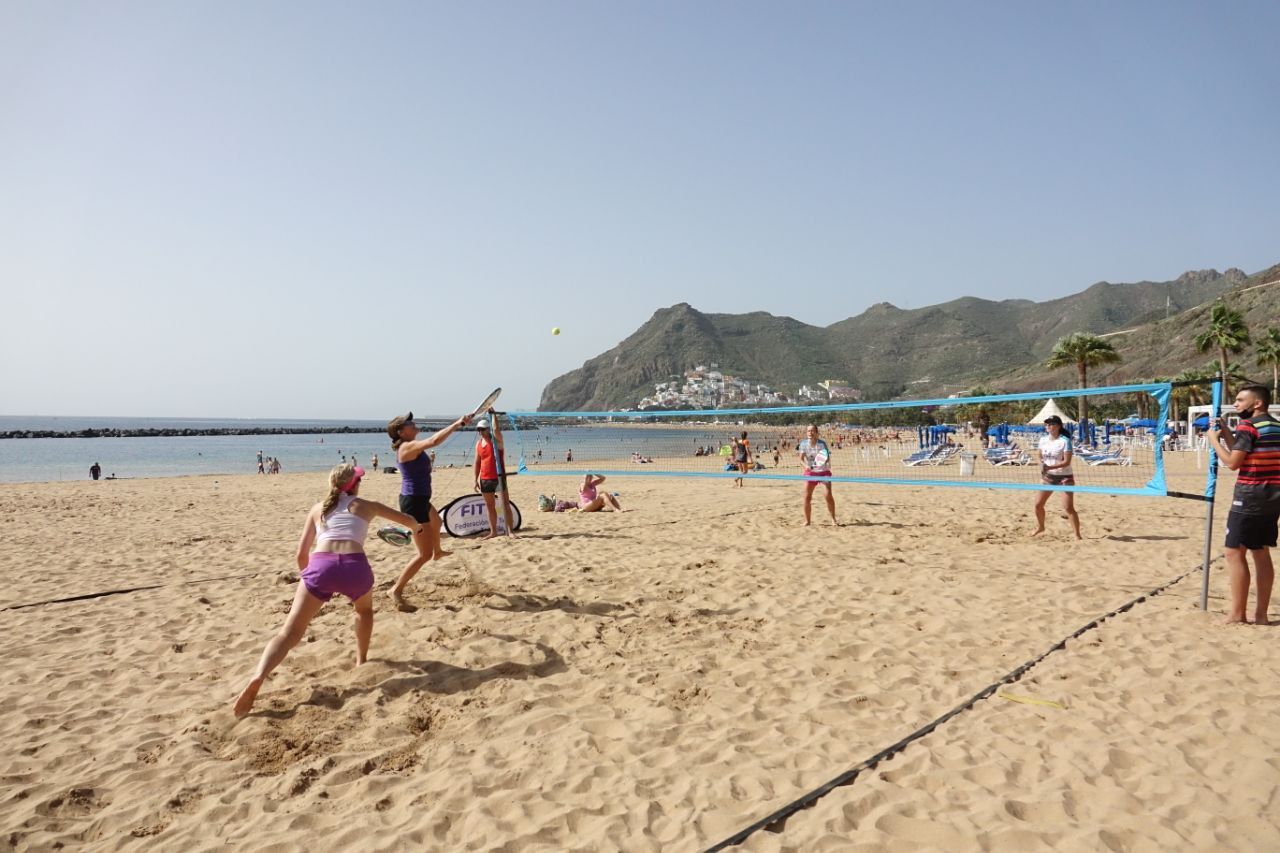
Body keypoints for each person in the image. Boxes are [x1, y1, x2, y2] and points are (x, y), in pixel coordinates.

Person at [232, 463, 424, 716]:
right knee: (364, 611)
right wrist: (417, 528)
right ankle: (361, 660)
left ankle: (259, 676)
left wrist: (309, 579)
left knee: (289, 633)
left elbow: (301, 554)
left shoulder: (317, 509)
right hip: (355, 567)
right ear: (354, 485)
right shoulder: (368, 506)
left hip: (321, 566)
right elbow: (409, 521)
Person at [1207, 384, 1280, 624]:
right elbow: (1245, 450)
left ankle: (1238, 614)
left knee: (1233, 552)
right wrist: (1227, 432)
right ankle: (1261, 615)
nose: (1236, 404)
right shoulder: (1275, 426)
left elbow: (1233, 462)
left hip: (1250, 495)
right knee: (1260, 551)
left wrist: (1213, 441)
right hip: (1273, 495)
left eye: (1240, 400)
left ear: (1257, 403)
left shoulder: (1248, 426)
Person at [386, 410, 470, 611]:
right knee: (423, 554)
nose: (413, 423)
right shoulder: (407, 447)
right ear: (401, 431)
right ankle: (395, 590)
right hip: (413, 503)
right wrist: (457, 423)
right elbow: (433, 441)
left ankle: (438, 551)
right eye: (409, 423)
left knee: (437, 522)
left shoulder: (410, 445)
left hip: (421, 499)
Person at [1032, 415, 1081, 539]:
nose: (1048, 426)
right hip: (1048, 477)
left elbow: (1066, 462)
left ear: (1058, 426)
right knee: (1038, 505)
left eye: (1051, 423)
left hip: (1065, 477)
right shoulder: (1043, 440)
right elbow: (1039, 456)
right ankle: (1041, 527)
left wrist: (1049, 467)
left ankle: (1077, 535)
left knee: (1068, 507)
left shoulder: (1065, 441)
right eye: (1047, 424)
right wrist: (1041, 464)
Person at [472, 417, 515, 539]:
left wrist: (493, 415)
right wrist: (475, 480)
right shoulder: (478, 444)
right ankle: (493, 532)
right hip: (485, 479)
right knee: (490, 506)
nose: (480, 432)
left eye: (482, 429)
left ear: (487, 429)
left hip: (499, 476)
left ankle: (510, 531)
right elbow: (477, 462)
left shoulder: (497, 440)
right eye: (478, 429)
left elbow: (496, 429)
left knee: (505, 504)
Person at [798, 424, 838, 526]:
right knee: (807, 497)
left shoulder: (822, 444)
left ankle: (833, 519)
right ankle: (807, 520)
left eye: (812, 431)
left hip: (823, 472)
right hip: (810, 473)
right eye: (808, 431)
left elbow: (827, 458)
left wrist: (824, 463)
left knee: (828, 496)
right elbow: (801, 459)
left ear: (816, 433)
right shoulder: (803, 444)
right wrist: (806, 466)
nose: (810, 433)